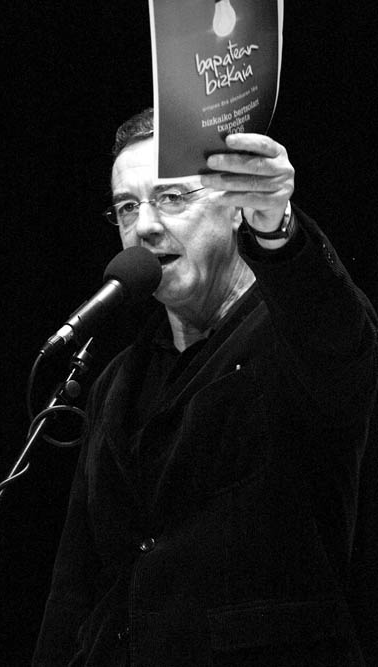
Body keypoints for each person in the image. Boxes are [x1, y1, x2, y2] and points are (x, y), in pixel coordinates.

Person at [32, 108, 377, 666]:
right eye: (127, 207)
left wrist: (279, 230)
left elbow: (338, 340)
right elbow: (74, 589)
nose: (144, 226)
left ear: (237, 205)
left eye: (171, 197)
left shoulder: (295, 333)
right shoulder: (114, 381)